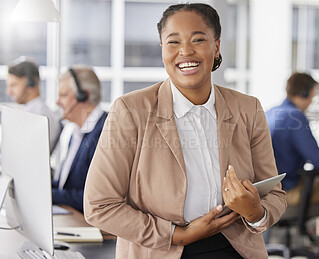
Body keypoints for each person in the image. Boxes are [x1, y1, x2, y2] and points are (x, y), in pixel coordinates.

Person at [84, 3, 286, 259]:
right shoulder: (130, 110)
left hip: (234, 249)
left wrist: (255, 211)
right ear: (162, 50)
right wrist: (179, 235)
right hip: (160, 250)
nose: (185, 52)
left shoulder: (248, 108)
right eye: (173, 42)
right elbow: (99, 206)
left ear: (216, 47)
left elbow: (275, 194)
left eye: (198, 39)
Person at [265, 72, 319, 256]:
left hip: (268, 189)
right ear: (305, 93)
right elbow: (318, 161)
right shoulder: (295, 117)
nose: (311, 101)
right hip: (287, 191)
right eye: (313, 96)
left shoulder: (272, 112)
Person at [52, 65, 107, 213]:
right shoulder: (76, 132)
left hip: (91, 227)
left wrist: (49, 195)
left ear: (84, 96)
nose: (58, 102)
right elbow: (67, 186)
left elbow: (95, 198)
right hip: (73, 217)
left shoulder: (105, 133)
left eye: (63, 95)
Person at [6, 57, 61, 153]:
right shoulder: (29, 111)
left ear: (31, 83)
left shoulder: (40, 115)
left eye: (14, 85)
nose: (9, 92)